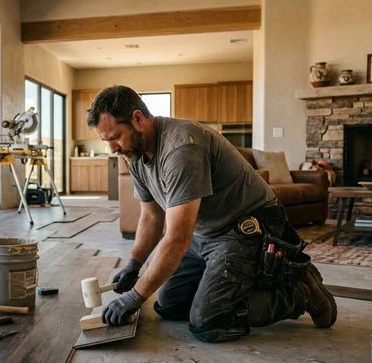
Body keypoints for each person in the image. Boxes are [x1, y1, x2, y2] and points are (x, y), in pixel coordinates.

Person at [88, 85, 337, 343]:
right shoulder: (136, 155)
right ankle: (224, 288)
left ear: (138, 119)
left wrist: (135, 296)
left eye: (115, 137)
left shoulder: (181, 147)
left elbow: (177, 238)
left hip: (247, 227)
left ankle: (300, 291)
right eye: (105, 141)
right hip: (205, 231)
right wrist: (134, 263)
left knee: (209, 322)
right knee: (170, 306)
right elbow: (151, 216)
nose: (112, 149)